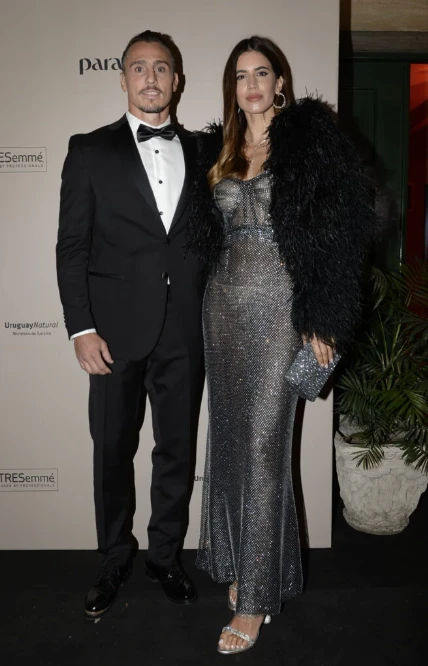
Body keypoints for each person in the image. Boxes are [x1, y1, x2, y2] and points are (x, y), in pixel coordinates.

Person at [186, 36, 376, 654]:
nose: (252, 84)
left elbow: (345, 232)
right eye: (241, 75)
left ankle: (256, 601)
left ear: (280, 82)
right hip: (222, 311)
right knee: (230, 444)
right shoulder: (218, 149)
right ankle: (246, 566)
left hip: (282, 313)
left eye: (261, 72)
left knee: (267, 450)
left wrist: (325, 319)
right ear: (233, 87)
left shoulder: (311, 143)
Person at [56, 30, 206, 619]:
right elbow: (72, 247)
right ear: (122, 79)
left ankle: (165, 556)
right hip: (112, 334)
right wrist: (81, 328)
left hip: (185, 331)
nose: (150, 78)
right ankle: (114, 558)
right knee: (113, 452)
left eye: (161, 68)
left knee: (177, 450)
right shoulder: (90, 150)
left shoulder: (205, 151)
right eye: (139, 68)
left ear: (176, 80)